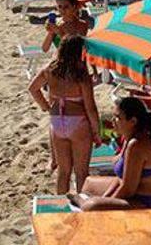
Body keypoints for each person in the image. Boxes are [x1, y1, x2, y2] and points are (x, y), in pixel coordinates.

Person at [72, 96, 151, 210]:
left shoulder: (137, 145)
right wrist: (107, 198)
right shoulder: (128, 138)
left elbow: (128, 189)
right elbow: (120, 178)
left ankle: (83, 202)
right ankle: (84, 201)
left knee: (92, 206)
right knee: (88, 183)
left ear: (133, 121)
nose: (112, 121)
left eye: (117, 117)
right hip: (136, 193)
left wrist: (106, 202)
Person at [28, 36, 102, 195]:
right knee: (82, 173)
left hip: (57, 123)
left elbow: (33, 88)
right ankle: (82, 210)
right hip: (78, 123)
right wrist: (97, 131)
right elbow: (90, 108)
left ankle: (61, 209)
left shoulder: (50, 70)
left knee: (63, 172)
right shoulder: (80, 75)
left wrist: (46, 107)